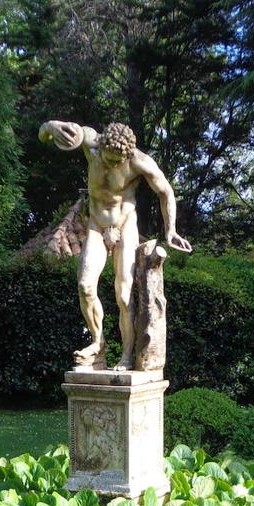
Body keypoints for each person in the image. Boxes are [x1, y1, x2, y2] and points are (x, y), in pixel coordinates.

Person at [39, 120, 192, 369]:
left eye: (116, 161)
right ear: (101, 147)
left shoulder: (139, 161)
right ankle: (98, 343)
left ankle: (127, 355)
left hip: (125, 224)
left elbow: (166, 192)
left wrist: (171, 229)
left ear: (128, 154)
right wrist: (50, 128)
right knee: (85, 286)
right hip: (97, 225)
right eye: (108, 159)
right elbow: (46, 131)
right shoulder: (91, 142)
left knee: (123, 294)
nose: (111, 164)